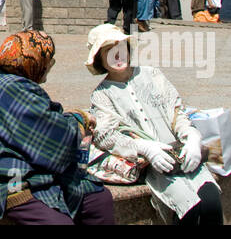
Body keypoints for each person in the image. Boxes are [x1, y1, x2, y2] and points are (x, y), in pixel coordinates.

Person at [0, 30, 115, 225]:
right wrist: (80, 120)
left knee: (99, 200)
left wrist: (72, 118)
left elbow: (44, 121)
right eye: (48, 62)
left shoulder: (15, 81)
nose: (49, 67)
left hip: (33, 167)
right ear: (33, 62)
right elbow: (55, 137)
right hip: (3, 177)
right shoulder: (13, 89)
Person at [87, 24, 222, 225]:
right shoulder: (101, 95)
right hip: (155, 166)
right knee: (188, 210)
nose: (117, 56)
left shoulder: (152, 74)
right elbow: (107, 135)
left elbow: (176, 112)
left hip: (181, 154)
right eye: (109, 51)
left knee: (211, 201)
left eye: (121, 48)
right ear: (100, 59)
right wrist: (146, 148)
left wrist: (192, 138)